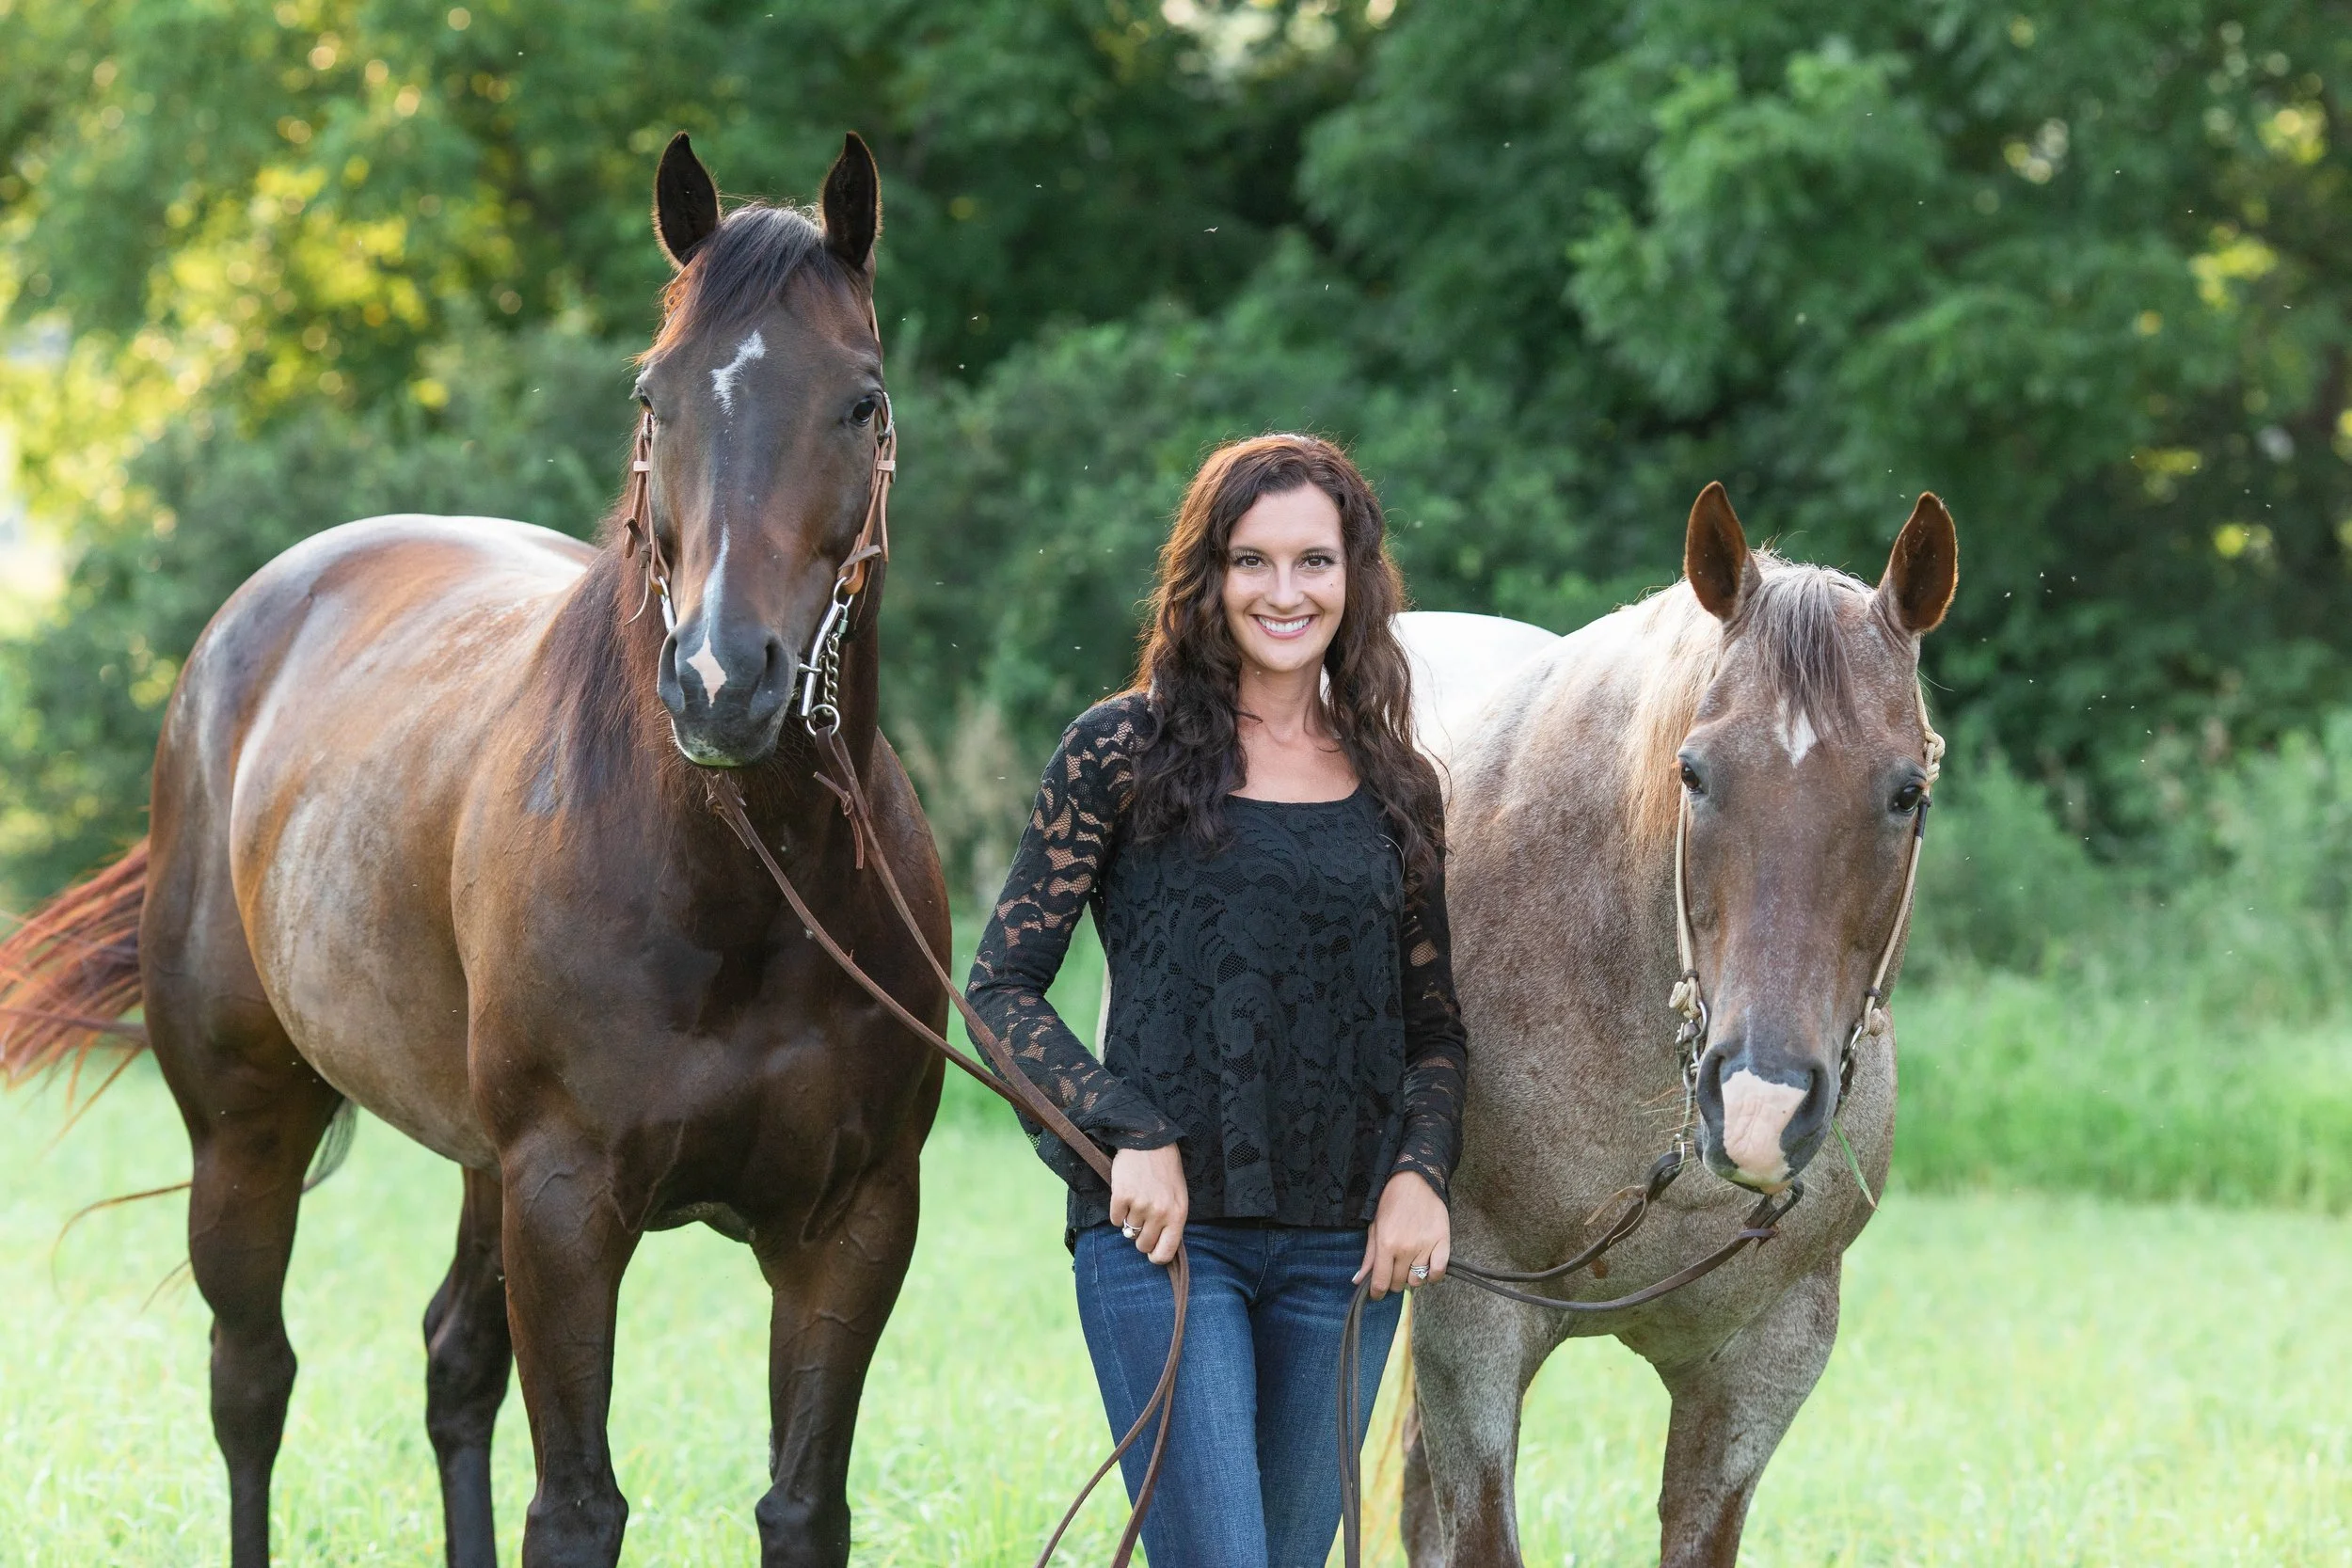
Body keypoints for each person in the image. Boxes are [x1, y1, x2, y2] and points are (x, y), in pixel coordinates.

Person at [968, 433, 1468, 1568]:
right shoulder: (1118, 751)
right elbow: (999, 989)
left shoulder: (1398, 782)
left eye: (1313, 561)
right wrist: (1124, 1135)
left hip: (1345, 1256)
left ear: (1356, 575)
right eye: (1252, 561)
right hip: (1165, 1249)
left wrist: (1418, 1175)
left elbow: (1435, 1028)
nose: (1284, 592)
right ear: (1209, 575)